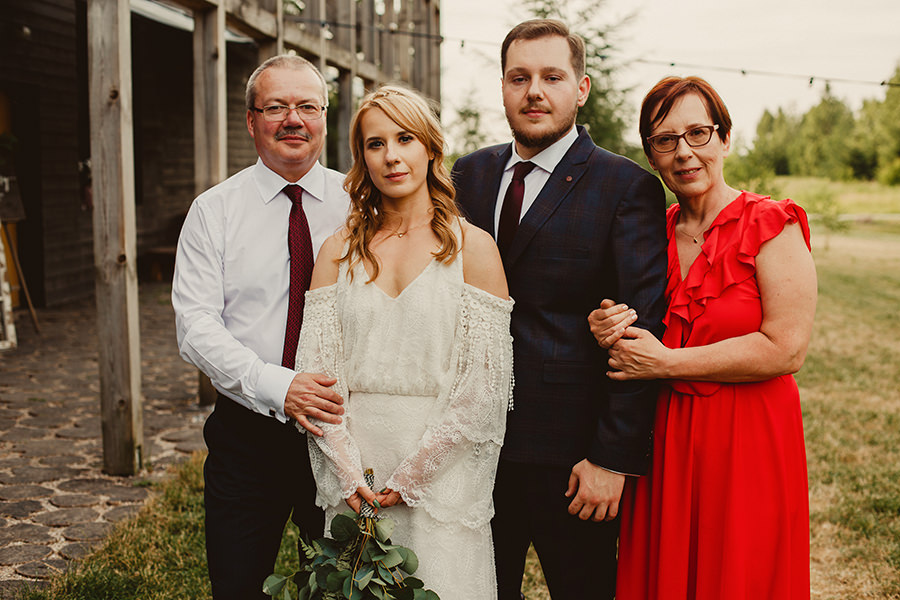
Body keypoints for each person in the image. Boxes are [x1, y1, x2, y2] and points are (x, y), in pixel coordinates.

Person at [451, 19, 668, 600]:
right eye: (519, 78)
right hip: (470, 447)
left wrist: (611, 459)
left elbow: (641, 333)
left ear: (582, 88)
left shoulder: (625, 187)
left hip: (573, 459)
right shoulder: (467, 175)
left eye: (552, 77)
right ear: (502, 86)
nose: (534, 92)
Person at [588, 76, 817, 599]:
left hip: (748, 438)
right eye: (665, 140)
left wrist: (666, 363)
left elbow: (786, 348)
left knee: (738, 573)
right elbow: (627, 320)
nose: (684, 152)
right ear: (651, 155)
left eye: (698, 133)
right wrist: (603, 324)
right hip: (664, 438)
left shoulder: (772, 224)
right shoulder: (648, 231)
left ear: (725, 138)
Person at [297, 86, 513, 600]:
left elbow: (483, 389)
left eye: (405, 138)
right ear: (362, 157)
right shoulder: (337, 250)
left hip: (442, 472)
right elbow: (316, 376)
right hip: (357, 471)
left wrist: (413, 477)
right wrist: (348, 473)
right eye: (375, 144)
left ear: (431, 148)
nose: (391, 155)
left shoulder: (474, 248)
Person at [172, 55, 349, 600]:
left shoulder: (361, 203)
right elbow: (196, 325)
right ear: (251, 121)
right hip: (248, 433)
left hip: (345, 430)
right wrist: (279, 386)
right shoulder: (214, 211)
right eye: (276, 107)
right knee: (238, 583)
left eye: (307, 106)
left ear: (324, 118)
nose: (293, 119)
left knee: (342, 587)